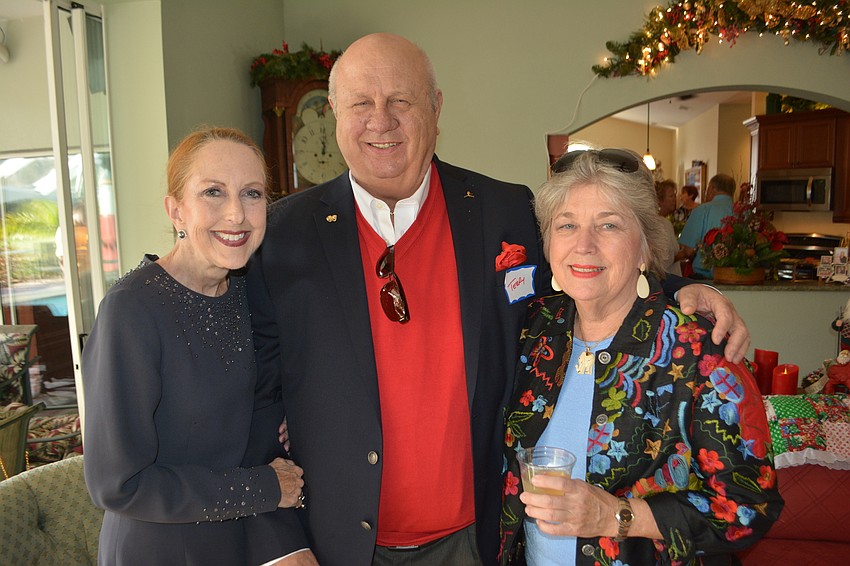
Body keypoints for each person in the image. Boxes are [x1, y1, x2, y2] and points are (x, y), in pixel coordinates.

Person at [244, 33, 751, 566]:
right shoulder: (282, 235)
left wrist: (686, 289)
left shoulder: (502, 210)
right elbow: (254, 401)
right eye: (361, 104)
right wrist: (283, 545)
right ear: (334, 113)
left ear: (436, 108)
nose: (381, 120)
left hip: (477, 541)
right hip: (332, 545)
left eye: (401, 101)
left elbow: (585, 262)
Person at [499, 148, 782, 565]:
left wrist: (616, 515)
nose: (584, 245)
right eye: (567, 225)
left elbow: (749, 503)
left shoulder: (698, 350)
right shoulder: (536, 326)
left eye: (608, 225)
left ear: (645, 248)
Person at [83, 127, 317, 565]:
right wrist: (262, 488)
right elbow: (117, 483)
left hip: (243, 538)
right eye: (213, 192)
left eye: (252, 193)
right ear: (175, 210)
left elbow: (258, 406)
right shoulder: (131, 310)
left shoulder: (248, 292)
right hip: (160, 548)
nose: (236, 214)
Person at [678, 174, 736, 279]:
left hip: (705, 278)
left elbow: (688, 250)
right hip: (738, 277)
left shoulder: (702, 210)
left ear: (712, 188)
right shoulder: (744, 213)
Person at [654, 179, 681, 276]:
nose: (674, 199)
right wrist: (682, 255)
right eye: (671, 196)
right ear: (660, 200)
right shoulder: (662, 223)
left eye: (674, 195)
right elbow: (664, 259)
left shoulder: (666, 221)